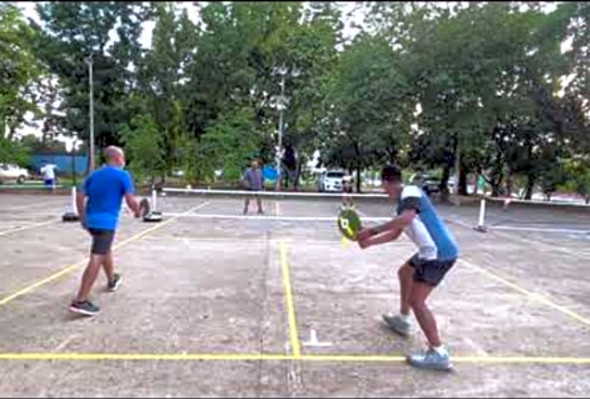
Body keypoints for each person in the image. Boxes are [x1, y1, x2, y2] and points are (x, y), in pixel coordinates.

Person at [357, 164, 459, 371]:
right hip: (430, 251)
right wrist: (369, 242)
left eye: (382, 185)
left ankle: (439, 352)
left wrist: (372, 230)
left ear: (386, 182)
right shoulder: (403, 204)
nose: (383, 190)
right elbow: (396, 233)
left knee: (417, 301)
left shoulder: (410, 191)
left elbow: (405, 219)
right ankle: (403, 320)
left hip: (438, 252)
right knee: (405, 272)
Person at [70, 146, 141, 316]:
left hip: (92, 223)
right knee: (97, 257)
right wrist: (138, 211)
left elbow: (80, 196)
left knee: (104, 250)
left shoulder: (94, 175)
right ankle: (81, 300)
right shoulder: (123, 175)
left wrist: (82, 217)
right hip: (105, 224)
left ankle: (111, 280)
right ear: (117, 158)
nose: (124, 161)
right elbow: (131, 201)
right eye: (123, 158)